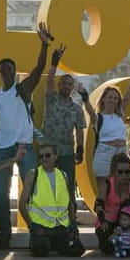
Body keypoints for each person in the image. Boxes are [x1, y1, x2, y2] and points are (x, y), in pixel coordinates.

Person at [0, 22, 52, 249]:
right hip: (1, 150)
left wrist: (44, 45)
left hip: (23, 147)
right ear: (0, 72)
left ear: (14, 72)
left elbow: (38, 68)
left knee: (31, 189)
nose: (7, 71)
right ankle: (5, 232)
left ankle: (36, 230)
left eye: (10, 68)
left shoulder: (22, 89)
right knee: (1, 193)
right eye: (3, 68)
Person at [82, 56, 130, 206]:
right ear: (104, 99)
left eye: (115, 98)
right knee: (104, 187)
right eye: (110, 97)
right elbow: (90, 112)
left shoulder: (120, 114)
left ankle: (120, 215)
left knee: (121, 185)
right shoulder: (99, 118)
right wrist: (85, 98)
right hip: (104, 152)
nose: (113, 100)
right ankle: (103, 217)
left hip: (120, 152)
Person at [18, 143, 84, 257]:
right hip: (41, 228)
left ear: (56, 156)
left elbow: (69, 203)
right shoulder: (33, 174)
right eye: (41, 156)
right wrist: (31, 226)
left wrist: (73, 223)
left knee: (77, 250)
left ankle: (55, 243)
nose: (44, 158)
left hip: (61, 227)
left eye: (47, 155)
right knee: (41, 250)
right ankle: (43, 242)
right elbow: (22, 204)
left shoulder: (63, 175)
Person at [42, 45, 87, 196]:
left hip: (67, 152)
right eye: (64, 83)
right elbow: (48, 81)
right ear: (59, 85)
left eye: (69, 84)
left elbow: (80, 130)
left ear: (73, 87)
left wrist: (80, 148)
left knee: (67, 187)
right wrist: (54, 63)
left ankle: (70, 216)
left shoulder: (77, 109)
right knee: (46, 185)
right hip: (47, 151)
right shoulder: (51, 99)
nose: (66, 86)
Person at [93, 152, 130, 255]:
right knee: (107, 248)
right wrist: (102, 220)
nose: (124, 175)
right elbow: (98, 204)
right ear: (114, 171)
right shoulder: (106, 184)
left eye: (127, 172)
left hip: (126, 221)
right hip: (107, 221)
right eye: (120, 172)